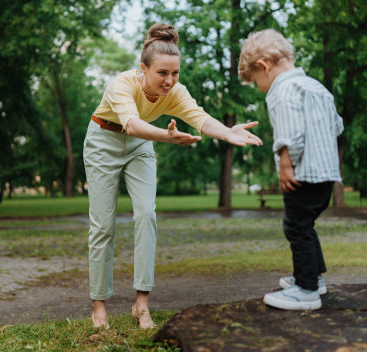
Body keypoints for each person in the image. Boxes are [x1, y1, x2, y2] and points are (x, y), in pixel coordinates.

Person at [85, 23, 263, 329]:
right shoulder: (122, 84)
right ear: (143, 69)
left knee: (146, 215)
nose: (170, 81)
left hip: (142, 142)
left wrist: (226, 132)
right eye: (162, 73)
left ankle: (141, 305)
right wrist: (166, 138)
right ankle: (99, 306)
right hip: (105, 140)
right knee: (103, 224)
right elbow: (131, 125)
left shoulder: (176, 92)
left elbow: (201, 120)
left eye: (175, 73)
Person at [238, 29, 344, 311]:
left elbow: (290, 134)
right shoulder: (316, 86)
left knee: (296, 226)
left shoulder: (281, 91)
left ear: (264, 66)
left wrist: (286, 165)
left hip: (302, 173)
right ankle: (312, 277)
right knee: (305, 225)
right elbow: (337, 126)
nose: (260, 88)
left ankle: (306, 291)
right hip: (326, 174)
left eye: (256, 82)